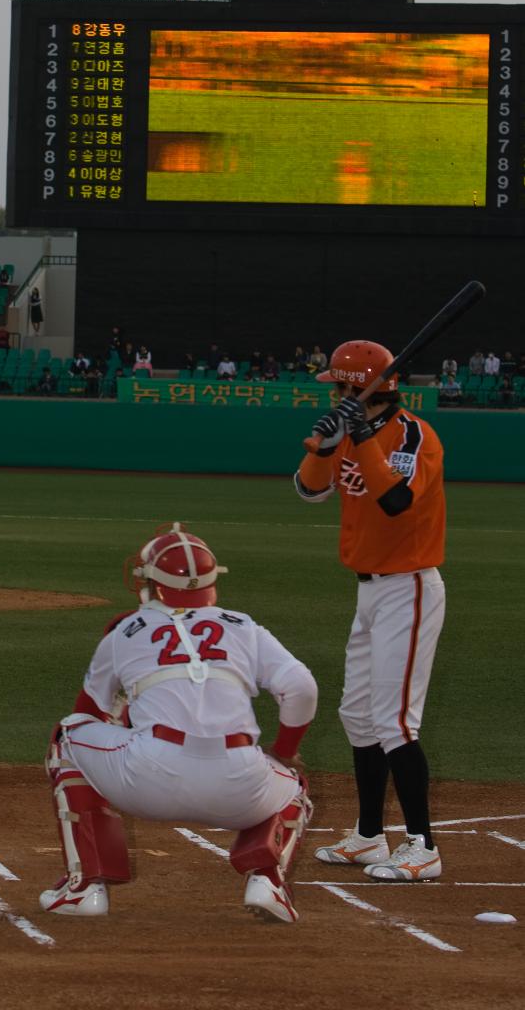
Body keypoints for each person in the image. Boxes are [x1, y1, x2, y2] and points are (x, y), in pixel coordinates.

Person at [39, 523, 316, 923]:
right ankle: (268, 881)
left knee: (68, 736)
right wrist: (286, 752)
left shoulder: (124, 632)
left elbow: (88, 713)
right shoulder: (245, 627)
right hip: (239, 787)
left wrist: (128, 713)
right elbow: (302, 688)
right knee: (294, 788)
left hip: (148, 782)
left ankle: (85, 888)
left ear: (152, 582)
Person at [294, 340, 446, 883]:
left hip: (410, 587)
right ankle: (367, 835)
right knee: (357, 715)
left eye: (341, 386)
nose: (334, 393)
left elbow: (397, 503)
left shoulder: (414, 436)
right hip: (369, 591)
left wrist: (360, 439)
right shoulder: (350, 429)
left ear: (367, 388)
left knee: (395, 720)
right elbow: (309, 491)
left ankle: (423, 846)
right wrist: (325, 445)